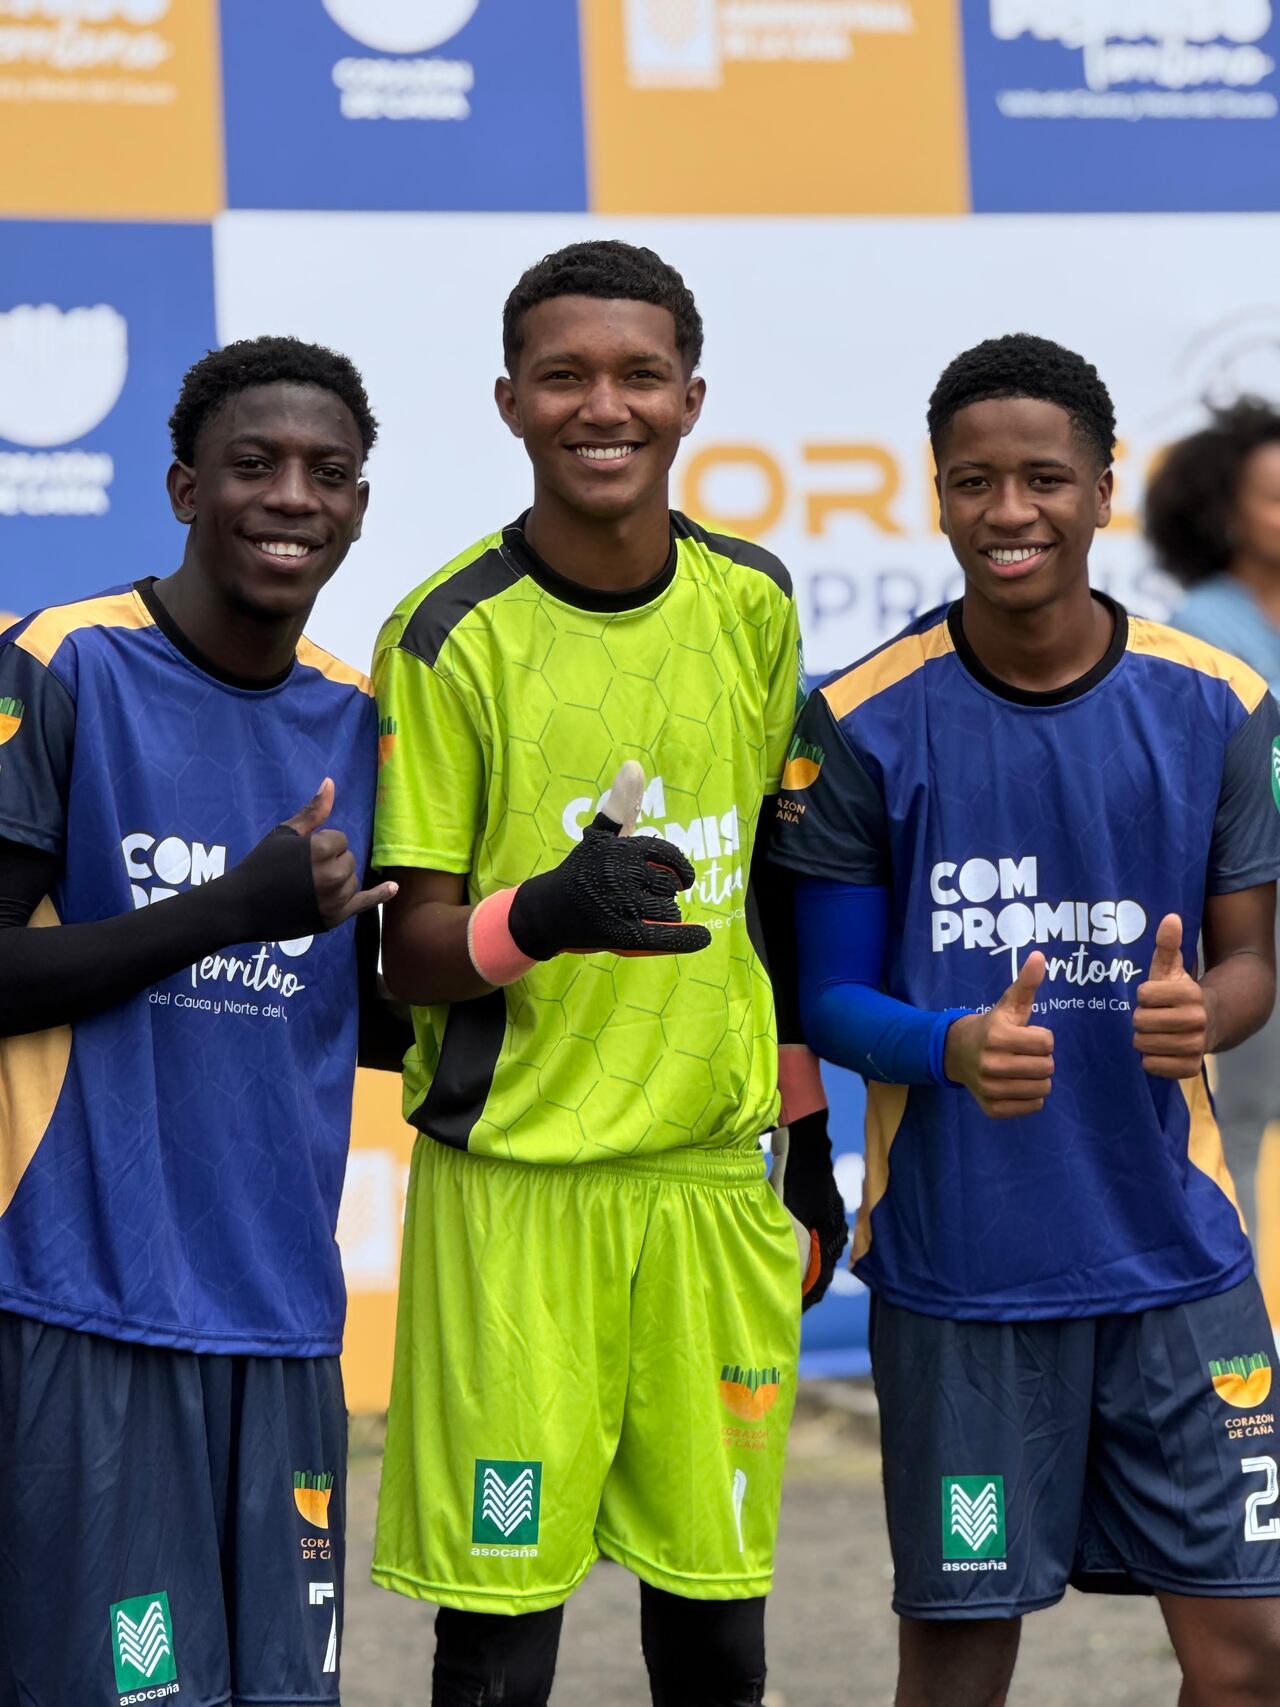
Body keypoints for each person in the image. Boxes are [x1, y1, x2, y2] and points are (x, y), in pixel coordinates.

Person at [369, 239, 847, 1707]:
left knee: (717, 1633)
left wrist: (810, 1136)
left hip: (708, 1187)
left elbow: (773, 888)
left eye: (640, 374)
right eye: (566, 375)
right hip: (520, 1190)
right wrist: (550, 911)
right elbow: (410, 951)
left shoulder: (754, 601)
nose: (605, 405)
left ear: (693, 398)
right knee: (500, 1635)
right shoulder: (447, 633)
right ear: (509, 400)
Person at [773, 334, 1280, 1707]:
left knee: (1252, 1654)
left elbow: (1248, 964)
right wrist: (948, 1045)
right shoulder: (861, 720)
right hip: (965, 1277)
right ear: (935, 495)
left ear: (1105, 487)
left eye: (1045, 477)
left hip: (1179, 1254)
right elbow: (827, 996)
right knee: (957, 1662)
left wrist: (1202, 1014)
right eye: (975, 479)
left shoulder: (1220, 702)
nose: (1012, 510)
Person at [0, 335, 401, 1707]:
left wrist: (549, 915)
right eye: (254, 464)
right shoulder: (63, 663)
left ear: (358, 507)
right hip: (85, 1299)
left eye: (329, 473)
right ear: (182, 486)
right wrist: (231, 907)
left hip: (283, 1323)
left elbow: (387, 1014)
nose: (292, 494)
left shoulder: (363, 717)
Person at [1147, 399, 1280, 1245]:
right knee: (1242, 1127)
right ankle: (1248, 1328)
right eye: (1274, 497)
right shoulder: (1202, 632)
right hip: (1250, 924)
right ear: (1221, 514)